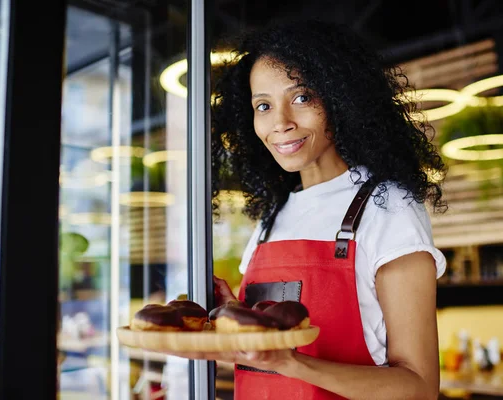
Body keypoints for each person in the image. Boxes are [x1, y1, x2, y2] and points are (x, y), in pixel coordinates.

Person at [171, 20, 447, 400]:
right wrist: (235, 314)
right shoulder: (272, 218)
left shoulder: (387, 207)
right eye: (263, 106)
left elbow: (419, 386)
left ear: (340, 98)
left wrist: (290, 362)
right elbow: (264, 354)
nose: (281, 123)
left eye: (302, 97)